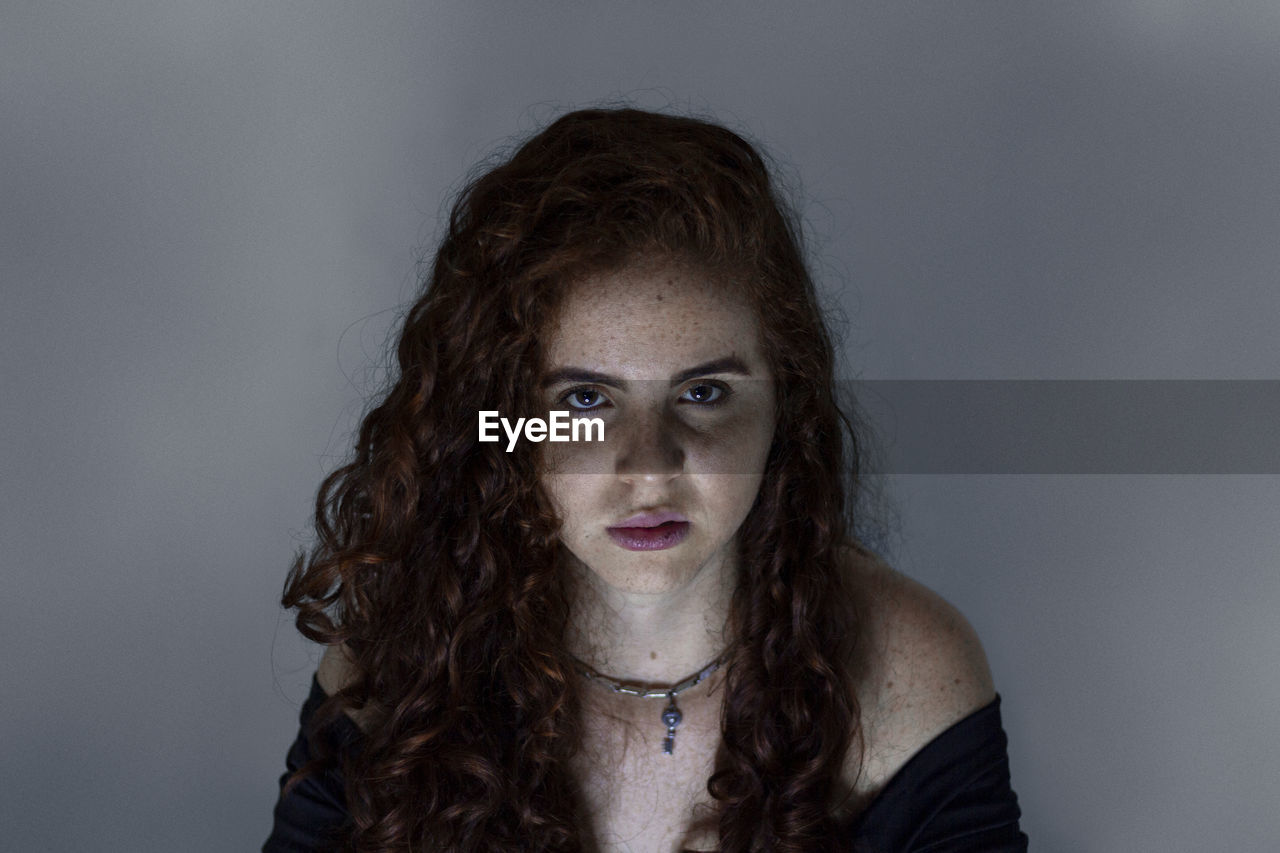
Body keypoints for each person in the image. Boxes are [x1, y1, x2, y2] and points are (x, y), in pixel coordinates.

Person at [263, 107, 1028, 853]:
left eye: (703, 394)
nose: (650, 466)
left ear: (783, 407)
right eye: (585, 400)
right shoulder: (401, 655)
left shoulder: (910, 670)